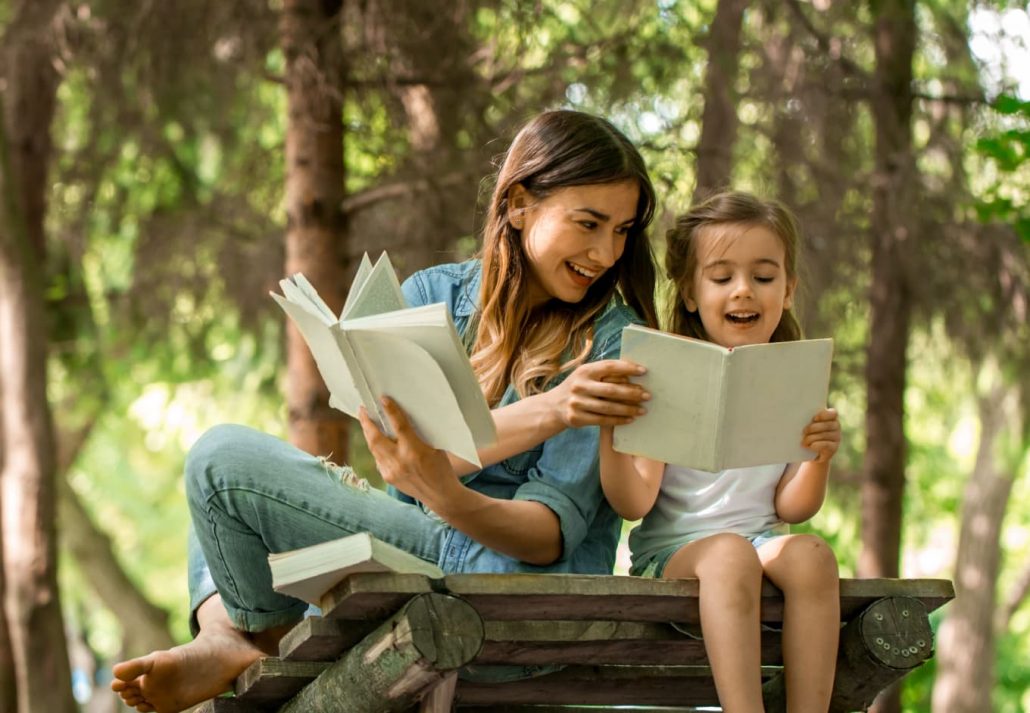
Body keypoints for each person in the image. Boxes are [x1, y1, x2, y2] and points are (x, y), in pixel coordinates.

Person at [111, 109, 659, 713]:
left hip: (515, 592)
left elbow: (550, 536)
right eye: (589, 224)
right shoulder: (434, 296)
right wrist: (547, 412)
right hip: (417, 556)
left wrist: (449, 493)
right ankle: (228, 638)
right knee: (222, 499)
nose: (606, 252)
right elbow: (412, 466)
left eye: (622, 231)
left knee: (221, 462)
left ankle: (238, 638)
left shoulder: (611, 340)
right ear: (520, 203)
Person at [599, 191, 842, 713]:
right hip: (674, 555)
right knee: (730, 552)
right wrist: (610, 436)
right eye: (722, 276)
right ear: (689, 292)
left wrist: (818, 457)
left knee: (812, 554)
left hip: (759, 542)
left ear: (789, 290)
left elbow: (791, 509)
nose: (743, 292)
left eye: (763, 276)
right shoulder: (666, 377)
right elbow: (633, 503)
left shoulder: (793, 383)